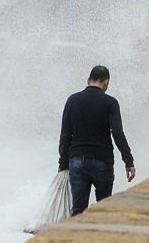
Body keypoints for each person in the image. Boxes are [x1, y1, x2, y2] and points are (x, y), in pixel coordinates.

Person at [58, 65, 136, 216]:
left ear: (88, 80)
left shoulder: (72, 100)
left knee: (78, 211)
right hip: (102, 162)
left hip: (77, 162)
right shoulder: (110, 103)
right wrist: (128, 161)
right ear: (106, 82)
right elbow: (118, 134)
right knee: (103, 211)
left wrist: (63, 164)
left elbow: (65, 135)